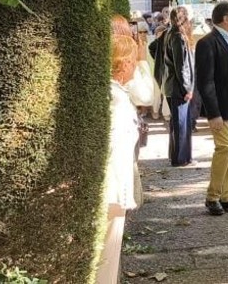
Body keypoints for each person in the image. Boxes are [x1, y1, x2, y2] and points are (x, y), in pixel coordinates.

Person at [196, 2, 228, 216]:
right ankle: (213, 196)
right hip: (221, 107)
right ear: (226, 19)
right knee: (225, 147)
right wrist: (213, 113)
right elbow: (205, 81)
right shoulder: (208, 43)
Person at [96, 35, 141, 284]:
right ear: (123, 64)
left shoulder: (115, 94)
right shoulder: (115, 98)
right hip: (112, 188)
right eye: (133, 61)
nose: (135, 65)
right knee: (106, 256)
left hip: (115, 186)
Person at [163, 6, 196, 166]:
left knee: (177, 124)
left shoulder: (171, 33)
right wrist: (187, 88)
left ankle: (177, 156)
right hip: (178, 87)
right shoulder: (178, 37)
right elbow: (181, 65)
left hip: (172, 85)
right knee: (181, 124)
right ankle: (181, 158)